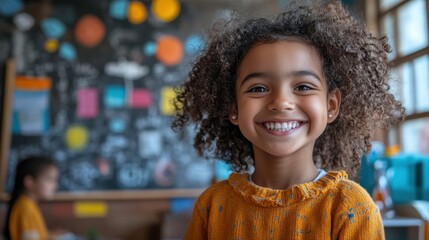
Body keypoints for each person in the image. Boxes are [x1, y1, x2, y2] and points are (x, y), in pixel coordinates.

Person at [172, 0, 404, 239]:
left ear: (331, 105)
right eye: (258, 88)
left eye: (303, 86)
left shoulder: (350, 208)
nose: (281, 102)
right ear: (234, 108)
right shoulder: (212, 206)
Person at [3, 156, 59, 240]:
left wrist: (51, 235)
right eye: (50, 179)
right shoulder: (25, 207)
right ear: (29, 182)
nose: (55, 186)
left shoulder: (29, 204)